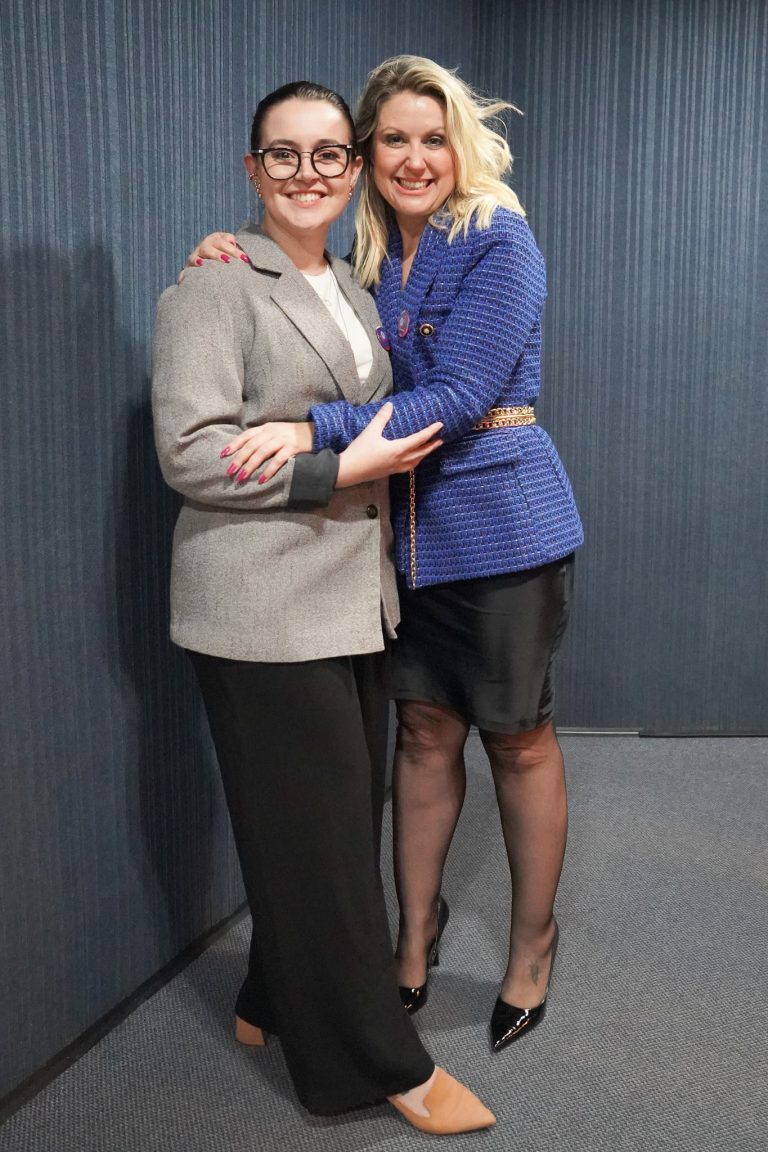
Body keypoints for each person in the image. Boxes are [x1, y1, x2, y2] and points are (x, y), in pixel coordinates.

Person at [187, 56, 584, 1053]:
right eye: (395, 139)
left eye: (433, 137)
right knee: (423, 737)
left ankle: (532, 947)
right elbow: (306, 297)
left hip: (501, 528)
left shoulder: (497, 237)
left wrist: (310, 431)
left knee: (517, 740)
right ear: (368, 156)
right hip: (404, 536)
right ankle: (413, 938)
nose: (415, 157)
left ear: (460, 145)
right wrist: (231, 251)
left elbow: (459, 397)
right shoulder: (369, 252)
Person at [152, 80, 496, 1134]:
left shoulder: (352, 285)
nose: (309, 173)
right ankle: (370, 1065)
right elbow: (190, 452)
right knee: (330, 854)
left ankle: (268, 998)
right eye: (284, 154)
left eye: (328, 154)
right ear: (252, 169)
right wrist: (340, 468)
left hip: (352, 598)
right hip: (259, 608)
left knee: (335, 828)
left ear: (352, 170)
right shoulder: (212, 287)